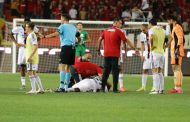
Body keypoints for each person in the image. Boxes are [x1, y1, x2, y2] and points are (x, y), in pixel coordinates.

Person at [42, 14, 80, 92]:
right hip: (73, 48)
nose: (60, 20)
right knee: (68, 68)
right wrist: (77, 42)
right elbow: (78, 37)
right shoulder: (73, 27)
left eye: (61, 18)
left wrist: (45, 36)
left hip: (65, 47)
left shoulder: (62, 26)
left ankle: (61, 87)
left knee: (62, 66)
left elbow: (56, 34)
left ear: (63, 19)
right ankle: (66, 87)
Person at [97, 18, 136, 93]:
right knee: (115, 71)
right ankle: (115, 89)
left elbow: (99, 40)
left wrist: (98, 50)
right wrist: (132, 47)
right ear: (115, 23)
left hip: (106, 54)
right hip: (115, 54)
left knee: (106, 71)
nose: (120, 25)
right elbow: (125, 40)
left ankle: (102, 88)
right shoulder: (118, 31)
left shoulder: (105, 30)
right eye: (119, 23)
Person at [10, 17, 39, 90]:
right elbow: (11, 34)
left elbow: (38, 35)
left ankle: (36, 86)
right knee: (23, 66)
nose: (27, 24)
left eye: (28, 23)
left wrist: (35, 42)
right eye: (26, 23)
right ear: (24, 22)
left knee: (32, 67)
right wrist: (16, 43)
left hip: (30, 49)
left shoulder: (33, 28)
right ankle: (23, 84)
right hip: (22, 49)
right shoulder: (18, 28)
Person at [24, 22, 44, 94]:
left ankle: (33, 89)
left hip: (31, 57)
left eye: (26, 27)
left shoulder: (32, 35)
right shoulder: (30, 35)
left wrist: (30, 56)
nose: (25, 28)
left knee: (30, 72)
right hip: (32, 56)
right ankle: (41, 89)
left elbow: (36, 46)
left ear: (30, 28)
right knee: (34, 73)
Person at [167, 16, 185, 93]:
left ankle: (177, 88)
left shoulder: (177, 27)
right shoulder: (177, 27)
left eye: (168, 20)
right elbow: (182, 39)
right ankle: (179, 87)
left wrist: (177, 48)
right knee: (178, 69)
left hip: (176, 51)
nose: (168, 22)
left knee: (176, 68)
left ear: (172, 20)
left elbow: (181, 39)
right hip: (176, 50)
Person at [148, 19, 165, 94]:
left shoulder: (151, 29)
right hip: (162, 53)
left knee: (154, 71)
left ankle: (155, 89)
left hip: (155, 53)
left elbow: (151, 37)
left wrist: (152, 46)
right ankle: (161, 89)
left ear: (150, 24)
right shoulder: (162, 29)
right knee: (160, 71)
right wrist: (165, 46)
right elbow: (170, 37)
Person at [136, 24, 152, 92]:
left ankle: (155, 86)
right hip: (146, 53)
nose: (142, 31)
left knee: (155, 70)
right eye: (141, 30)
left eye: (143, 29)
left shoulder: (152, 32)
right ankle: (143, 86)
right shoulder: (142, 34)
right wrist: (142, 54)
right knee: (145, 69)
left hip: (154, 53)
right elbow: (142, 45)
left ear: (147, 28)